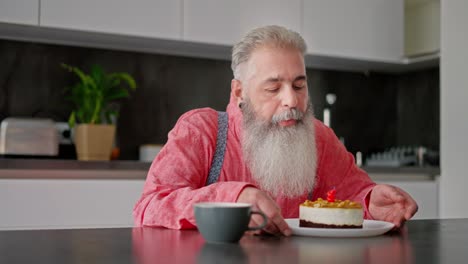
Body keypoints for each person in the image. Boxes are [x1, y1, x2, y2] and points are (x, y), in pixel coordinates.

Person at [133, 25, 418, 236]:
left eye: (299, 85)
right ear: (238, 92)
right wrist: (233, 199)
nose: (292, 100)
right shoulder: (201, 131)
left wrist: (372, 204)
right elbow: (150, 207)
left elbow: (352, 195)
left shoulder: (319, 137)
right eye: (273, 87)